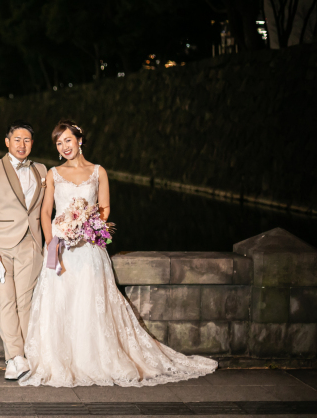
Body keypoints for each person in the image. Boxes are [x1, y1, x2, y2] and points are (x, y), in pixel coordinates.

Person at [19, 120, 217, 387]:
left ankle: (93, 359)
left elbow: (105, 208)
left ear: (80, 140)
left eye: (68, 140)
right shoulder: (53, 174)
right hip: (61, 248)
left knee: (91, 303)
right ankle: (60, 360)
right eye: (59, 143)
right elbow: (45, 213)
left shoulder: (98, 171)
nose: (64, 146)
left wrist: (87, 225)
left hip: (89, 248)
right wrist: (52, 243)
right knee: (60, 303)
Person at [0, 120, 48, 380]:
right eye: (17, 139)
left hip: (31, 245)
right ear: (7, 142)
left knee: (25, 303)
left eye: (27, 140)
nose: (22, 144)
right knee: (5, 300)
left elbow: (45, 209)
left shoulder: (41, 170)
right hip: (1, 248)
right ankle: (15, 357)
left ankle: (25, 356)